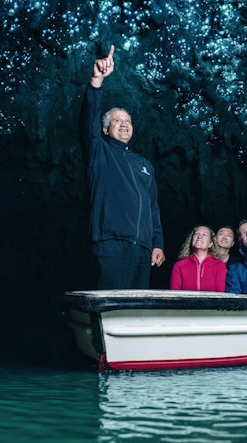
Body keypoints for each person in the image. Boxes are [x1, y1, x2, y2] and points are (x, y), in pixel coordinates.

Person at [81, 45, 165, 289]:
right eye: (117, 121)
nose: (124, 124)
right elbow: (88, 120)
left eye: (128, 121)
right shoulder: (100, 152)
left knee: (136, 309)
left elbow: (153, 208)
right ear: (105, 129)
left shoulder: (144, 165)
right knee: (111, 305)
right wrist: (97, 80)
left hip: (142, 248)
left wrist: (157, 242)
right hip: (110, 243)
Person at [170, 225, 227, 292]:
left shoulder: (219, 265)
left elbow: (220, 295)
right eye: (197, 234)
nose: (199, 237)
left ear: (210, 244)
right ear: (191, 240)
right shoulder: (179, 266)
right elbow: (175, 295)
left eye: (204, 235)